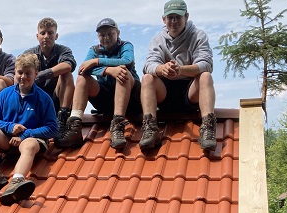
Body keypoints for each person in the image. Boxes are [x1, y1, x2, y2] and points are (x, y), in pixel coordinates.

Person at [0, 53, 57, 205]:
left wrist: (26, 134)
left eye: (28, 73)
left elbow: (53, 128)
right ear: (15, 72)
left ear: (36, 74)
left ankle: (17, 181)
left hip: (30, 140)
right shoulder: (5, 94)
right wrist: (10, 126)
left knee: (30, 144)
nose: (23, 77)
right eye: (20, 72)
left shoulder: (44, 98)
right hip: (7, 139)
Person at [140, 0, 216, 150]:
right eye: (170, 17)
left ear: (186, 17)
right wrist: (163, 69)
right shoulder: (157, 40)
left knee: (206, 76)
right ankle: (150, 128)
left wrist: (180, 70)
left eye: (178, 17)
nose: (174, 21)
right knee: (147, 77)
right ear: (164, 19)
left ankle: (207, 127)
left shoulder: (198, 36)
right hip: (165, 93)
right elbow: (148, 65)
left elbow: (206, 64)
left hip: (190, 92)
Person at [58, 18, 141, 149]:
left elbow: (127, 61)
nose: (106, 38)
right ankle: (75, 126)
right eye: (102, 35)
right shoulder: (94, 50)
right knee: (82, 78)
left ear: (118, 33)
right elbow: (83, 68)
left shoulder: (126, 45)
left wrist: (96, 61)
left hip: (131, 100)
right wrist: (109, 70)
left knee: (123, 72)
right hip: (107, 101)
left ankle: (118, 125)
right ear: (98, 36)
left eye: (110, 34)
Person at [23, 17, 76, 136]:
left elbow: (68, 65)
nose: (46, 36)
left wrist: (41, 75)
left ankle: (62, 117)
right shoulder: (29, 54)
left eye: (50, 33)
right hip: (36, 100)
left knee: (66, 74)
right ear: (37, 36)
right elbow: (21, 73)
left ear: (56, 36)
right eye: (43, 33)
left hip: (57, 98)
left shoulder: (63, 50)